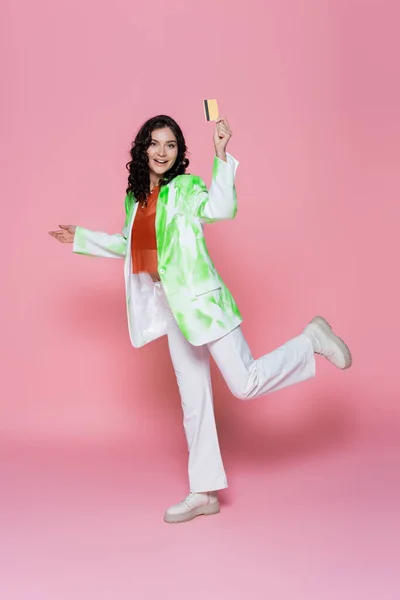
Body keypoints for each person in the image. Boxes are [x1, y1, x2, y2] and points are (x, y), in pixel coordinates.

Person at [49, 114, 352, 524]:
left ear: (178, 153)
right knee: (195, 401)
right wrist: (81, 238)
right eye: (154, 143)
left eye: (170, 145)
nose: (161, 151)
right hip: (171, 310)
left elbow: (221, 209)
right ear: (142, 149)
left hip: (204, 303)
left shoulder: (186, 189)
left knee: (244, 384)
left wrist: (221, 155)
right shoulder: (135, 198)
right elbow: (128, 243)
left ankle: (310, 340)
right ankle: (203, 492)